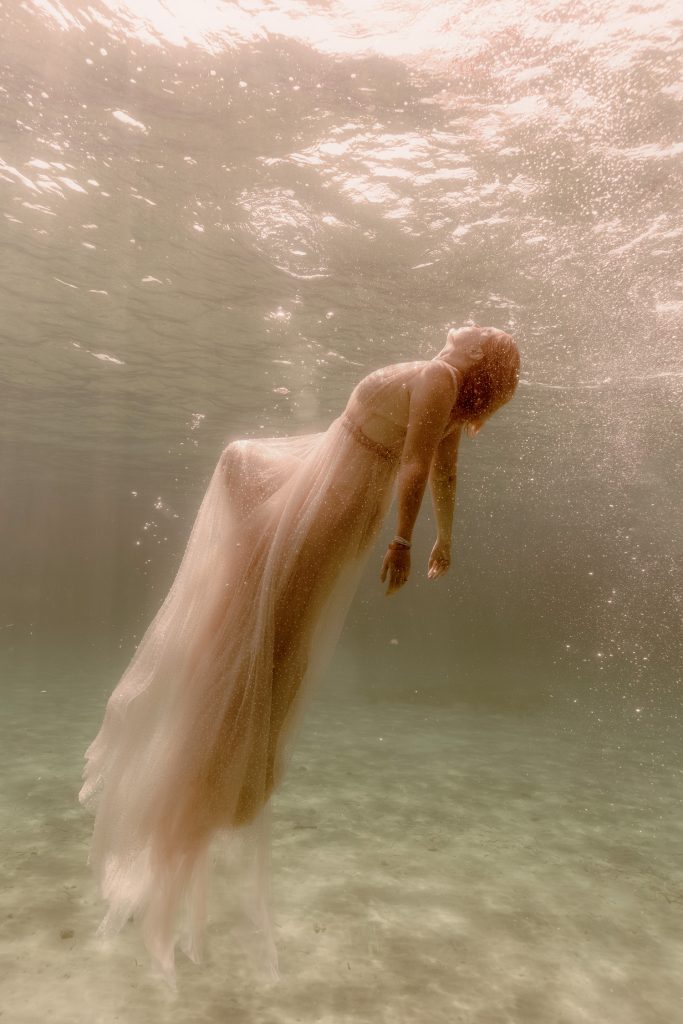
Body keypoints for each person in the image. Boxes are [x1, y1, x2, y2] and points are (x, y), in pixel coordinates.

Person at [79, 324, 520, 982]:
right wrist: (442, 539)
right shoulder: (440, 386)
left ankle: (206, 785)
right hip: (322, 484)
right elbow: (441, 469)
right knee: (246, 571)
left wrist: (407, 540)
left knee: (256, 625)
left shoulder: (438, 379)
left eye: (478, 333)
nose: (465, 327)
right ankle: (211, 777)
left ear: (479, 358)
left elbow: (421, 467)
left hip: (330, 502)